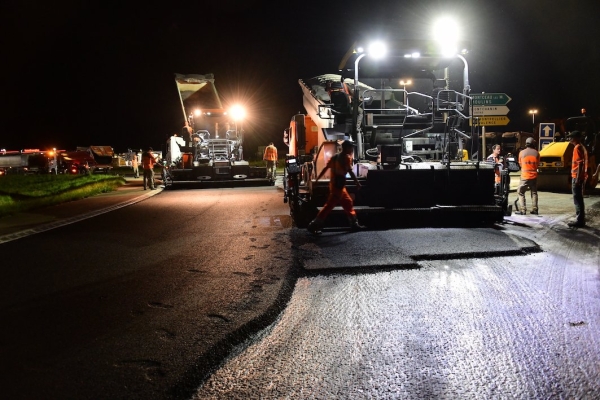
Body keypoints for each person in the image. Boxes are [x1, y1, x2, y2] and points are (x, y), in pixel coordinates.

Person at [307, 140, 365, 234]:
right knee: (329, 206)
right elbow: (350, 171)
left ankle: (354, 223)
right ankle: (314, 224)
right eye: (351, 148)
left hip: (336, 186)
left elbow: (325, 168)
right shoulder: (346, 158)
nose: (352, 150)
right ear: (346, 148)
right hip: (338, 187)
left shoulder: (334, 157)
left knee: (348, 202)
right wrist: (357, 182)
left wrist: (317, 179)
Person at [567, 130, 588, 227]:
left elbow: (580, 163)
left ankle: (579, 220)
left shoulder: (577, 147)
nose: (570, 139)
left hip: (577, 177)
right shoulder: (582, 147)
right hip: (580, 177)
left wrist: (578, 179)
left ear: (576, 138)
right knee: (579, 199)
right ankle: (580, 219)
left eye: (572, 137)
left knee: (577, 199)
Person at [515, 137, 540, 215]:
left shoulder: (521, 153)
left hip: (525, 176)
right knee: (534, 192)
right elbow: (537, 164)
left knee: (520, 192)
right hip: (534, 176)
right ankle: (535, 209)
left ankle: (523, 210)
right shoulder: (537, 153)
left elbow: (520, 164)